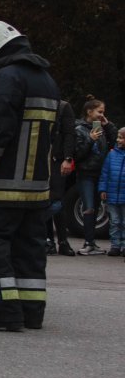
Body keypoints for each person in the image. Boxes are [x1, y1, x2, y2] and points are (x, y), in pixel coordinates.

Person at [0, 20, 59, 332]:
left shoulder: (7, 77)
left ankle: (4, 312)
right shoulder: (46, 79)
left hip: (4, 187)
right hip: (38, 189)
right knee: (30, 250)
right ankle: (32, 311)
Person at [74, 96, 117, 255]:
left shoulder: (102, 128)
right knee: (89, 207)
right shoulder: (79, 129)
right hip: (86, 174)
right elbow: (77, 155)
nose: (101, 114)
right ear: (89, 111)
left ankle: (92, 243)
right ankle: (88, 243)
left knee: (97, 207)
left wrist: (108, 125)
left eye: (103, 112)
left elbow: (116, 142)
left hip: (101, 173)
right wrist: (90, 140)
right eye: (99, 111)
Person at [46, 100, 77, 257]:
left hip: (57, 160)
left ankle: (62, 241)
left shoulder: (63, 106)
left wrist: (67, 158)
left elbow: (69, 134)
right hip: (42, 159)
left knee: (56, 201)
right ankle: (49, 241)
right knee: (44, 200)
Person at [99, 127, 125, 257]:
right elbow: (105, 173)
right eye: (118, 137)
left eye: (121, 138)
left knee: (124, 222)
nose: (118, 140)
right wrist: (103, 189)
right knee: (114, 222)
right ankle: (115, 246)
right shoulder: (112, 154)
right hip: (112, 194)